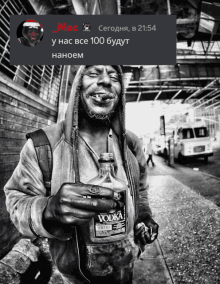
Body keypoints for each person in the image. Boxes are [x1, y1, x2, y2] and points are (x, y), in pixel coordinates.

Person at [4, 65, 159, 284]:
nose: (105, 81)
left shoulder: (130, 143)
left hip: (125, 265)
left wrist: (144, 216)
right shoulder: (42, 145)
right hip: (76, 275)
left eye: (114, 76)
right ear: (78, 85)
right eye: (94, 73)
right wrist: (48, 209)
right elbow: (16, 201)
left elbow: (140, 189)